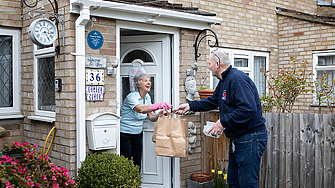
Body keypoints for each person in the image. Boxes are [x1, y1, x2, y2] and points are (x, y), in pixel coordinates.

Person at [174, 50, 268, 188]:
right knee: (233, 182)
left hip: (251, 138)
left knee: (247, 184)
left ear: (217, 64)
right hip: (239, 139)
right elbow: (213, 101)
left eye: (209, 63)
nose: (208, 67)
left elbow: (248, 108)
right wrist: (189, 106)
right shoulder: (224, 80)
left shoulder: (237, 79)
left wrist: (222, 122)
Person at [120, 72, 172, 170]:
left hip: (138, 134)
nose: (149, 83)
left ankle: (135, 184)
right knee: (126, 163)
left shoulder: (147, 97)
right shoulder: (131, 97)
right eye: (145, 81)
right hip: (125, 134)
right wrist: (159, 105)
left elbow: (151, 117)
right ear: (138, 85)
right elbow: (141, 109)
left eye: (149, 80)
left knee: (137, 162)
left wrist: (159, 114)